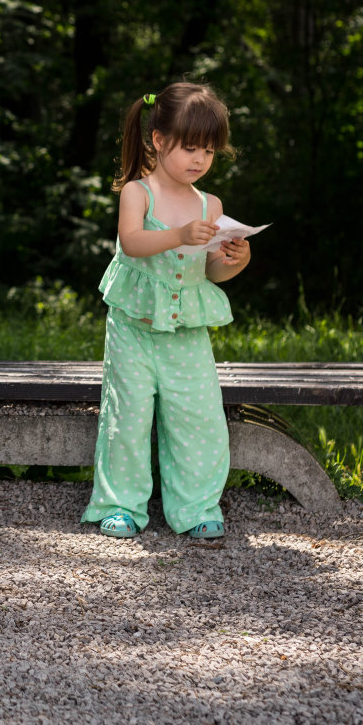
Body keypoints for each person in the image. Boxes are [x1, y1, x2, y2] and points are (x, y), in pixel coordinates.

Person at [80, 81, 252, 540]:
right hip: (133, 330)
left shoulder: (209, 204)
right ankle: (120, 505)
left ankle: (196, 506)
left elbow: (211, 272)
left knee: (198, 417)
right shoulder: (139, 192)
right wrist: (179, 235)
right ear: (158, 140)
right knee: (128, 417)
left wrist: (235, 260)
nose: (199, 160)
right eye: (190, 148)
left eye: (209, 151)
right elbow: (132, 243)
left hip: (187, 336)